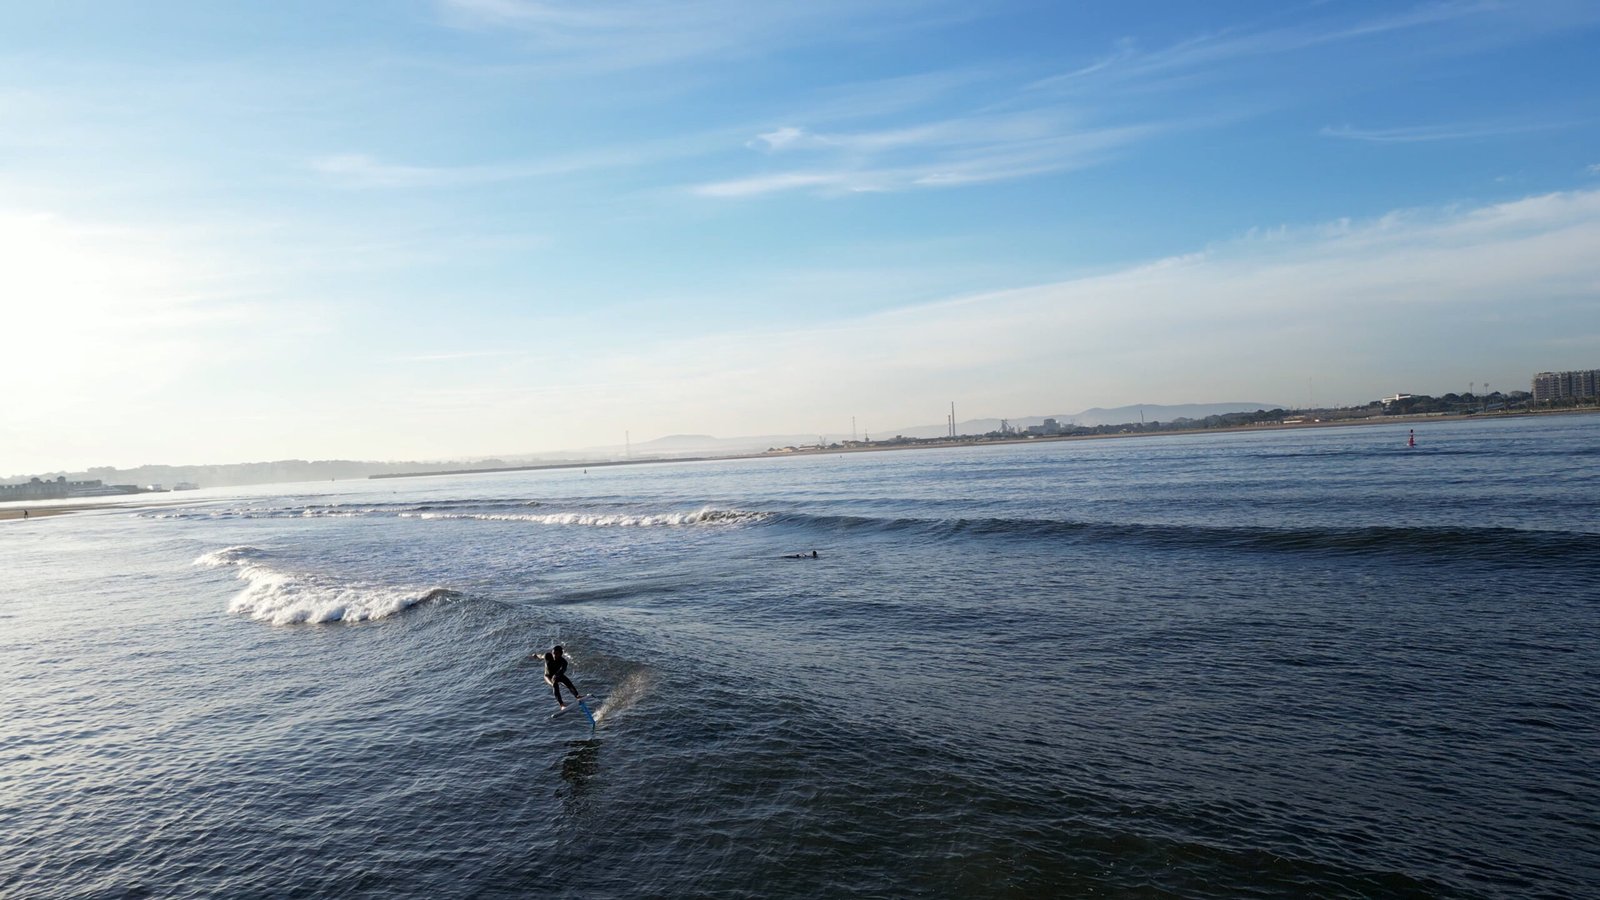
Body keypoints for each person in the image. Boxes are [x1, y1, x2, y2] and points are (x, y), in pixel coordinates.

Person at [533, 644, 583, 709]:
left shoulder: (564, 662)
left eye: (557, 654)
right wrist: (536, 656)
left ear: (561, 654)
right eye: (553, 653)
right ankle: (562, 705)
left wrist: (556, 675)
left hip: (558, 675)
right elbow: (541, 656)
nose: (554, 655)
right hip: (548, 676)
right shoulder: (547, 656)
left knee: (568, 683)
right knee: (554, 684)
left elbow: (563, 670)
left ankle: (577, 696)